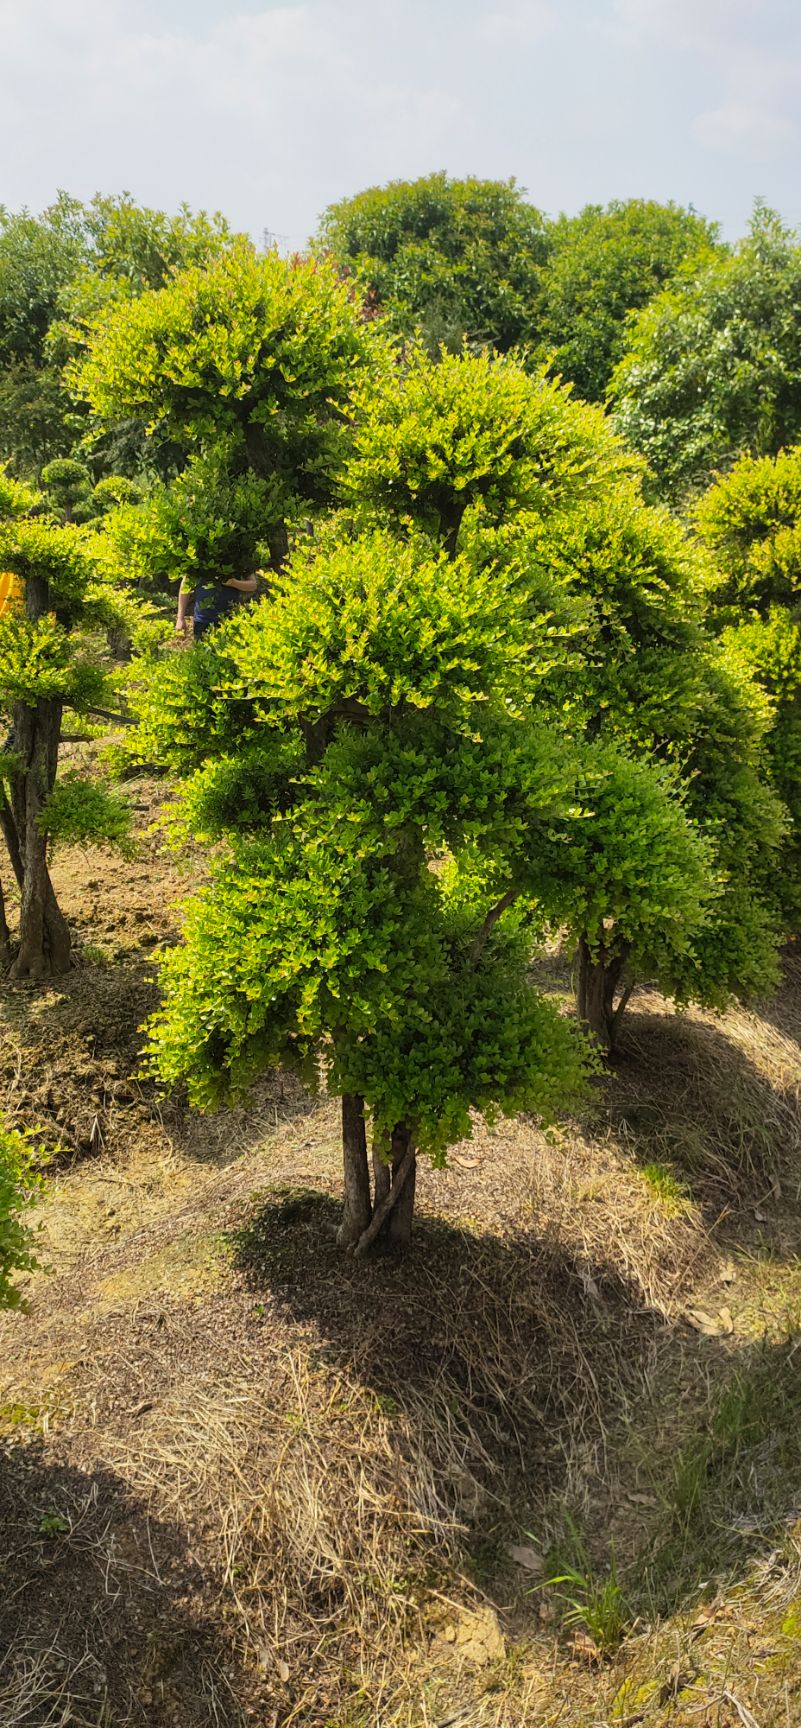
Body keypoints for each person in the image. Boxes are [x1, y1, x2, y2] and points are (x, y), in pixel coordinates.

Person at [175, 571, 258, 643]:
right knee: (203, 657)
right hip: (203, 620)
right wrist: (180, 618)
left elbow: (252, 585)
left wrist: (233, 583)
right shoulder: (199, 557)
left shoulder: (237, 556)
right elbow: (185, 585)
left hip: (230, 620)